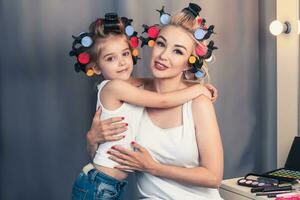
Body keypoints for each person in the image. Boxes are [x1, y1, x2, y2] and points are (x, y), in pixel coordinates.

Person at [71, 12, 218, 200]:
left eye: (178, 51)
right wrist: (91, 139)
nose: (164, 55)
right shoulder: (129, 91)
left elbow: (213, 176)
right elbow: (162, 100)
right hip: (103, 185)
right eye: (161, 44)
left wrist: (153, 167)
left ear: (188, 64)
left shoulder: (198, 103)